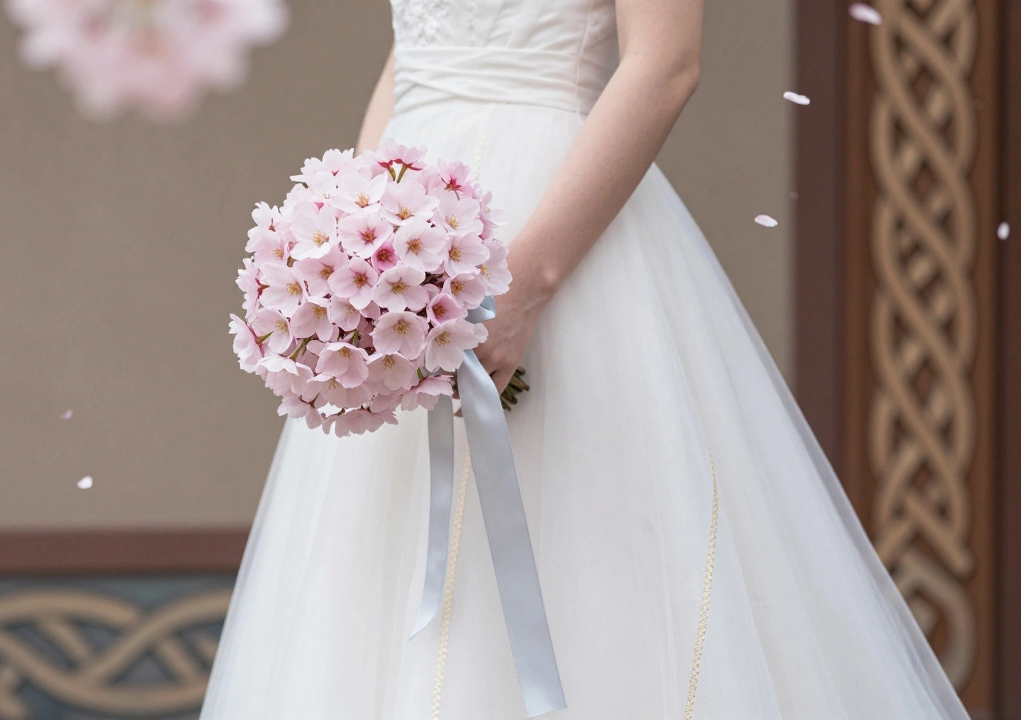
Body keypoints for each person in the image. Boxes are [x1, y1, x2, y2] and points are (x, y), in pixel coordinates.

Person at [201, 1, 971, 717]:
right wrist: (345, 234)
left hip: (548, 223)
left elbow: (666, 64)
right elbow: (413, 53)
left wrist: (526, 284)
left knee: (575, 543)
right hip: (405, 235)